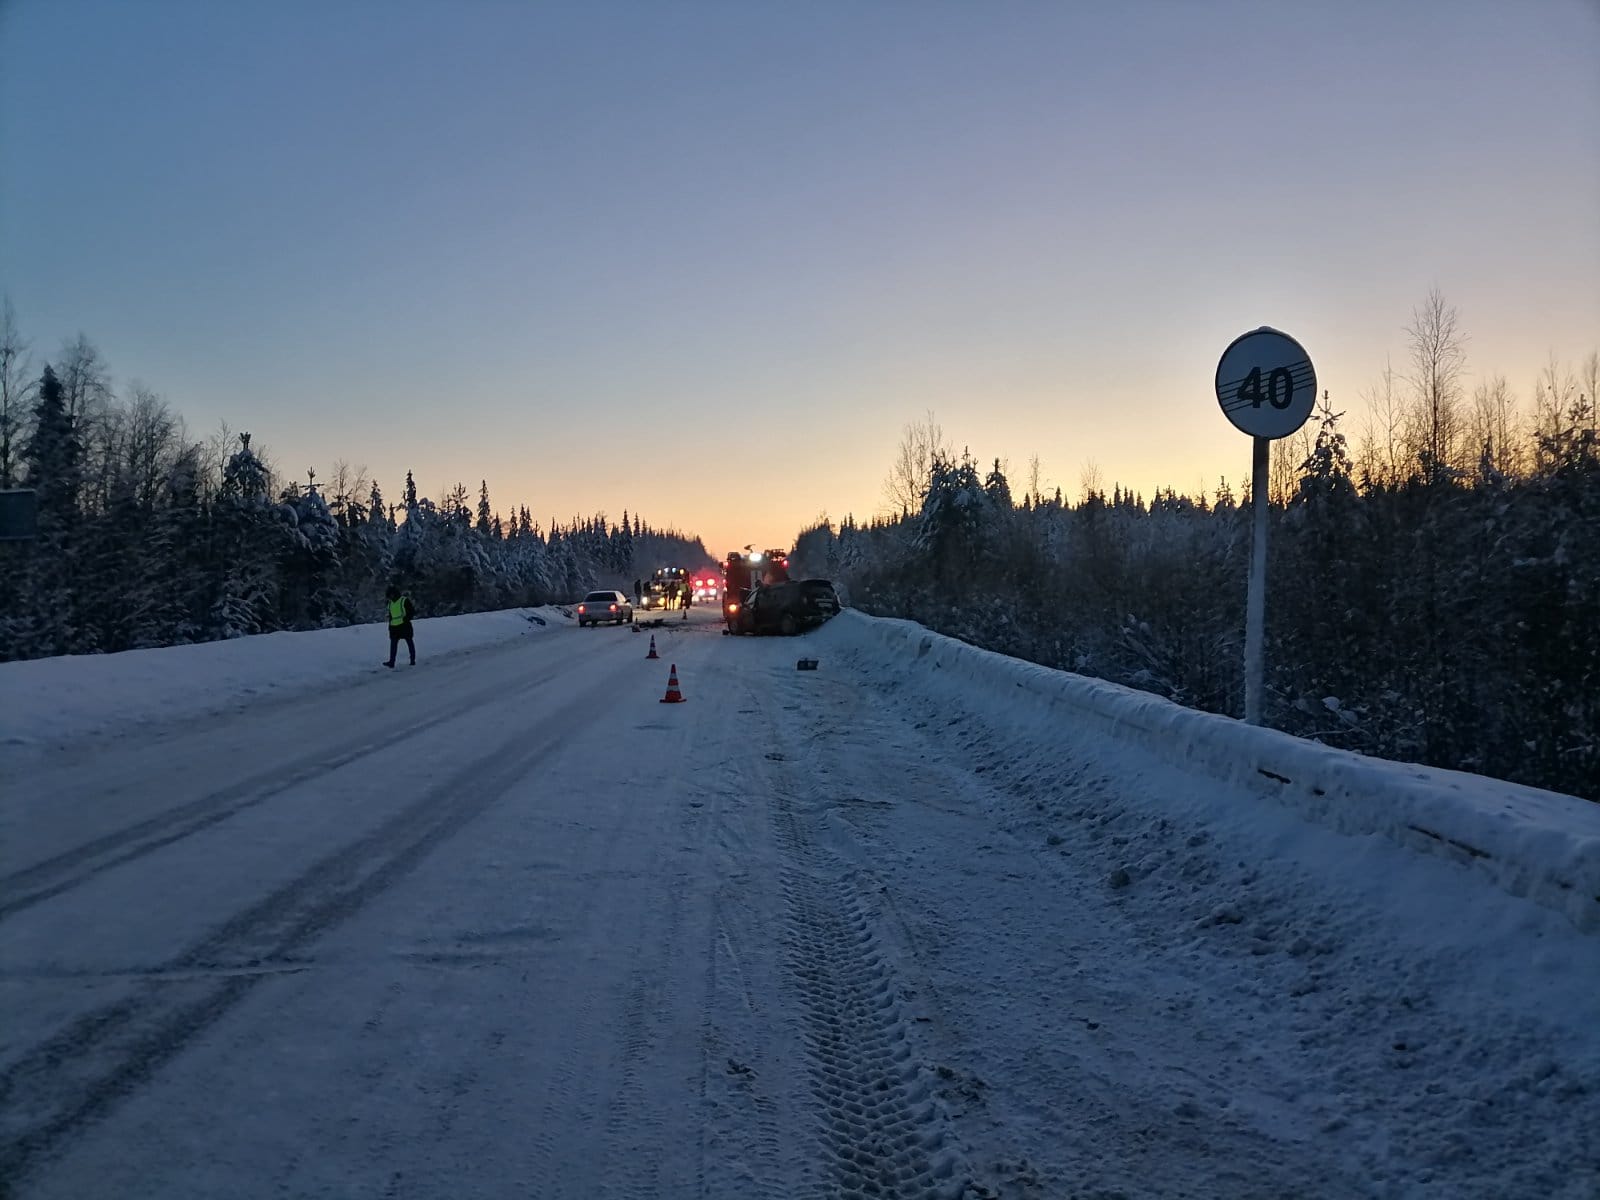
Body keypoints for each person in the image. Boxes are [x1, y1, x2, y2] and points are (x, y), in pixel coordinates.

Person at [384, 584, 416, 667]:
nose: (391, 596)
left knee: (409, 642)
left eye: (391, 594)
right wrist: (390, 625)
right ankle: (391, 662)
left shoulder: (404, 600)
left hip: (404, 625)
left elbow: (411, 611)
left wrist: (406, 619)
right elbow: (391, 615)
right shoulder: (390, 603)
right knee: (393, 644)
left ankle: (412, 660)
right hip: (394, 627)